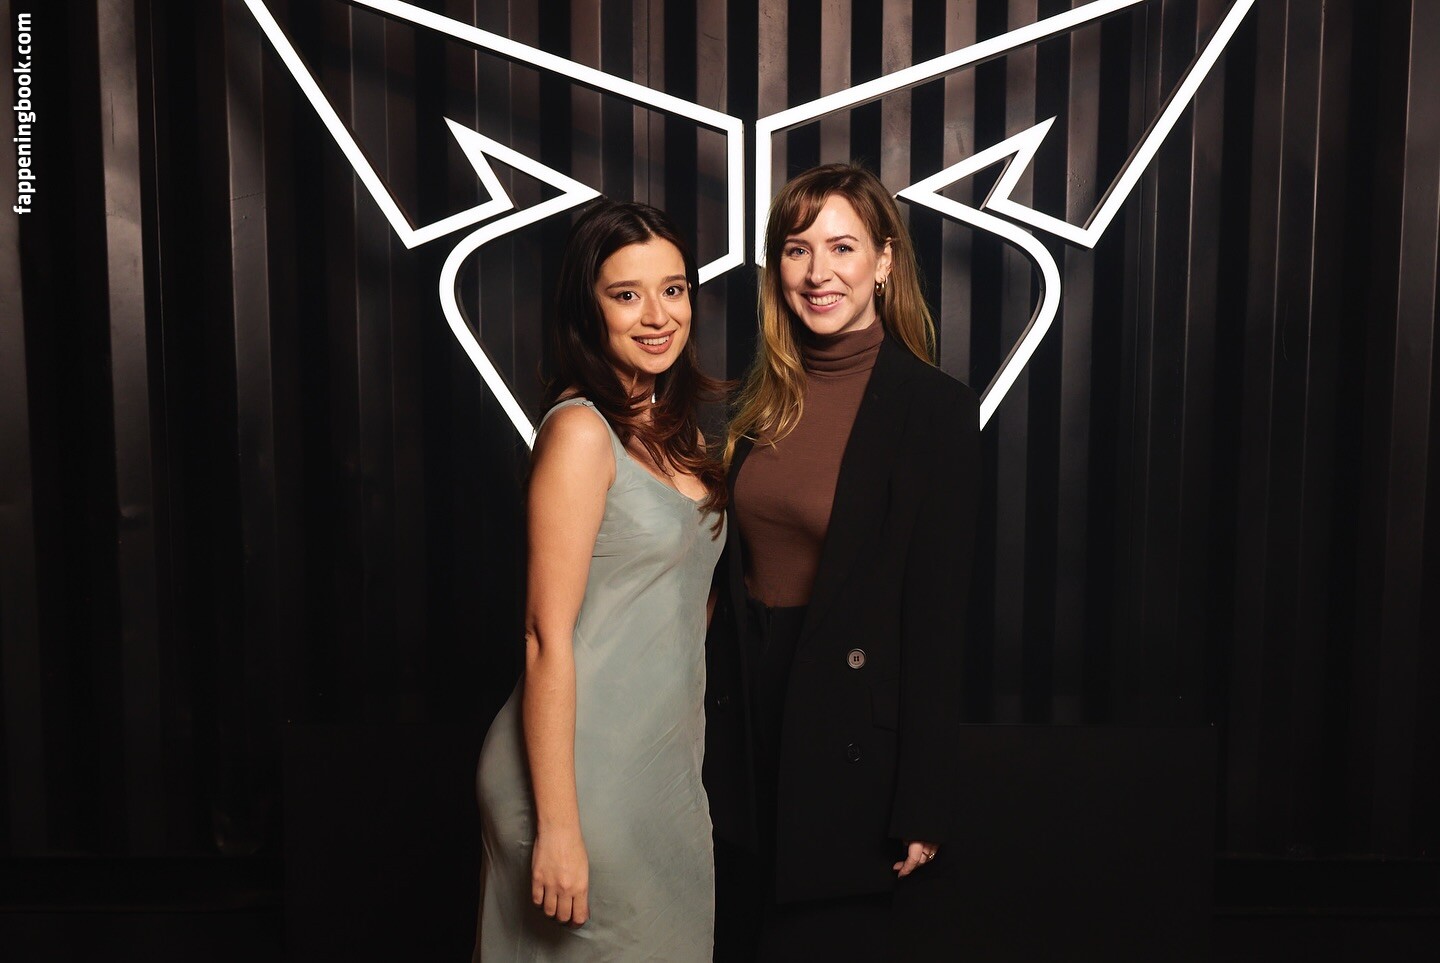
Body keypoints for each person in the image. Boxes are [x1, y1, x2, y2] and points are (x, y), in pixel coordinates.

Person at [703, 163, 980, 960]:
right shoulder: (754, 402)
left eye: (842, 247)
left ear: (885, 260)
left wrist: (923, 799)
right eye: (797, 250)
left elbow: (936, 618)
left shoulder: (934, 409)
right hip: (740, 721)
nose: (818, 272)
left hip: (846, 734)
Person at [473, 199, 727, 961]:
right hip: (581, 779)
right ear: (589, 309)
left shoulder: (678, 432)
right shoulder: (581, 432)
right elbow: (543, 636)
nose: (657, 315)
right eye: (626, 294)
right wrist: (558, 826)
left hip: (664, 773)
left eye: (673, 289)